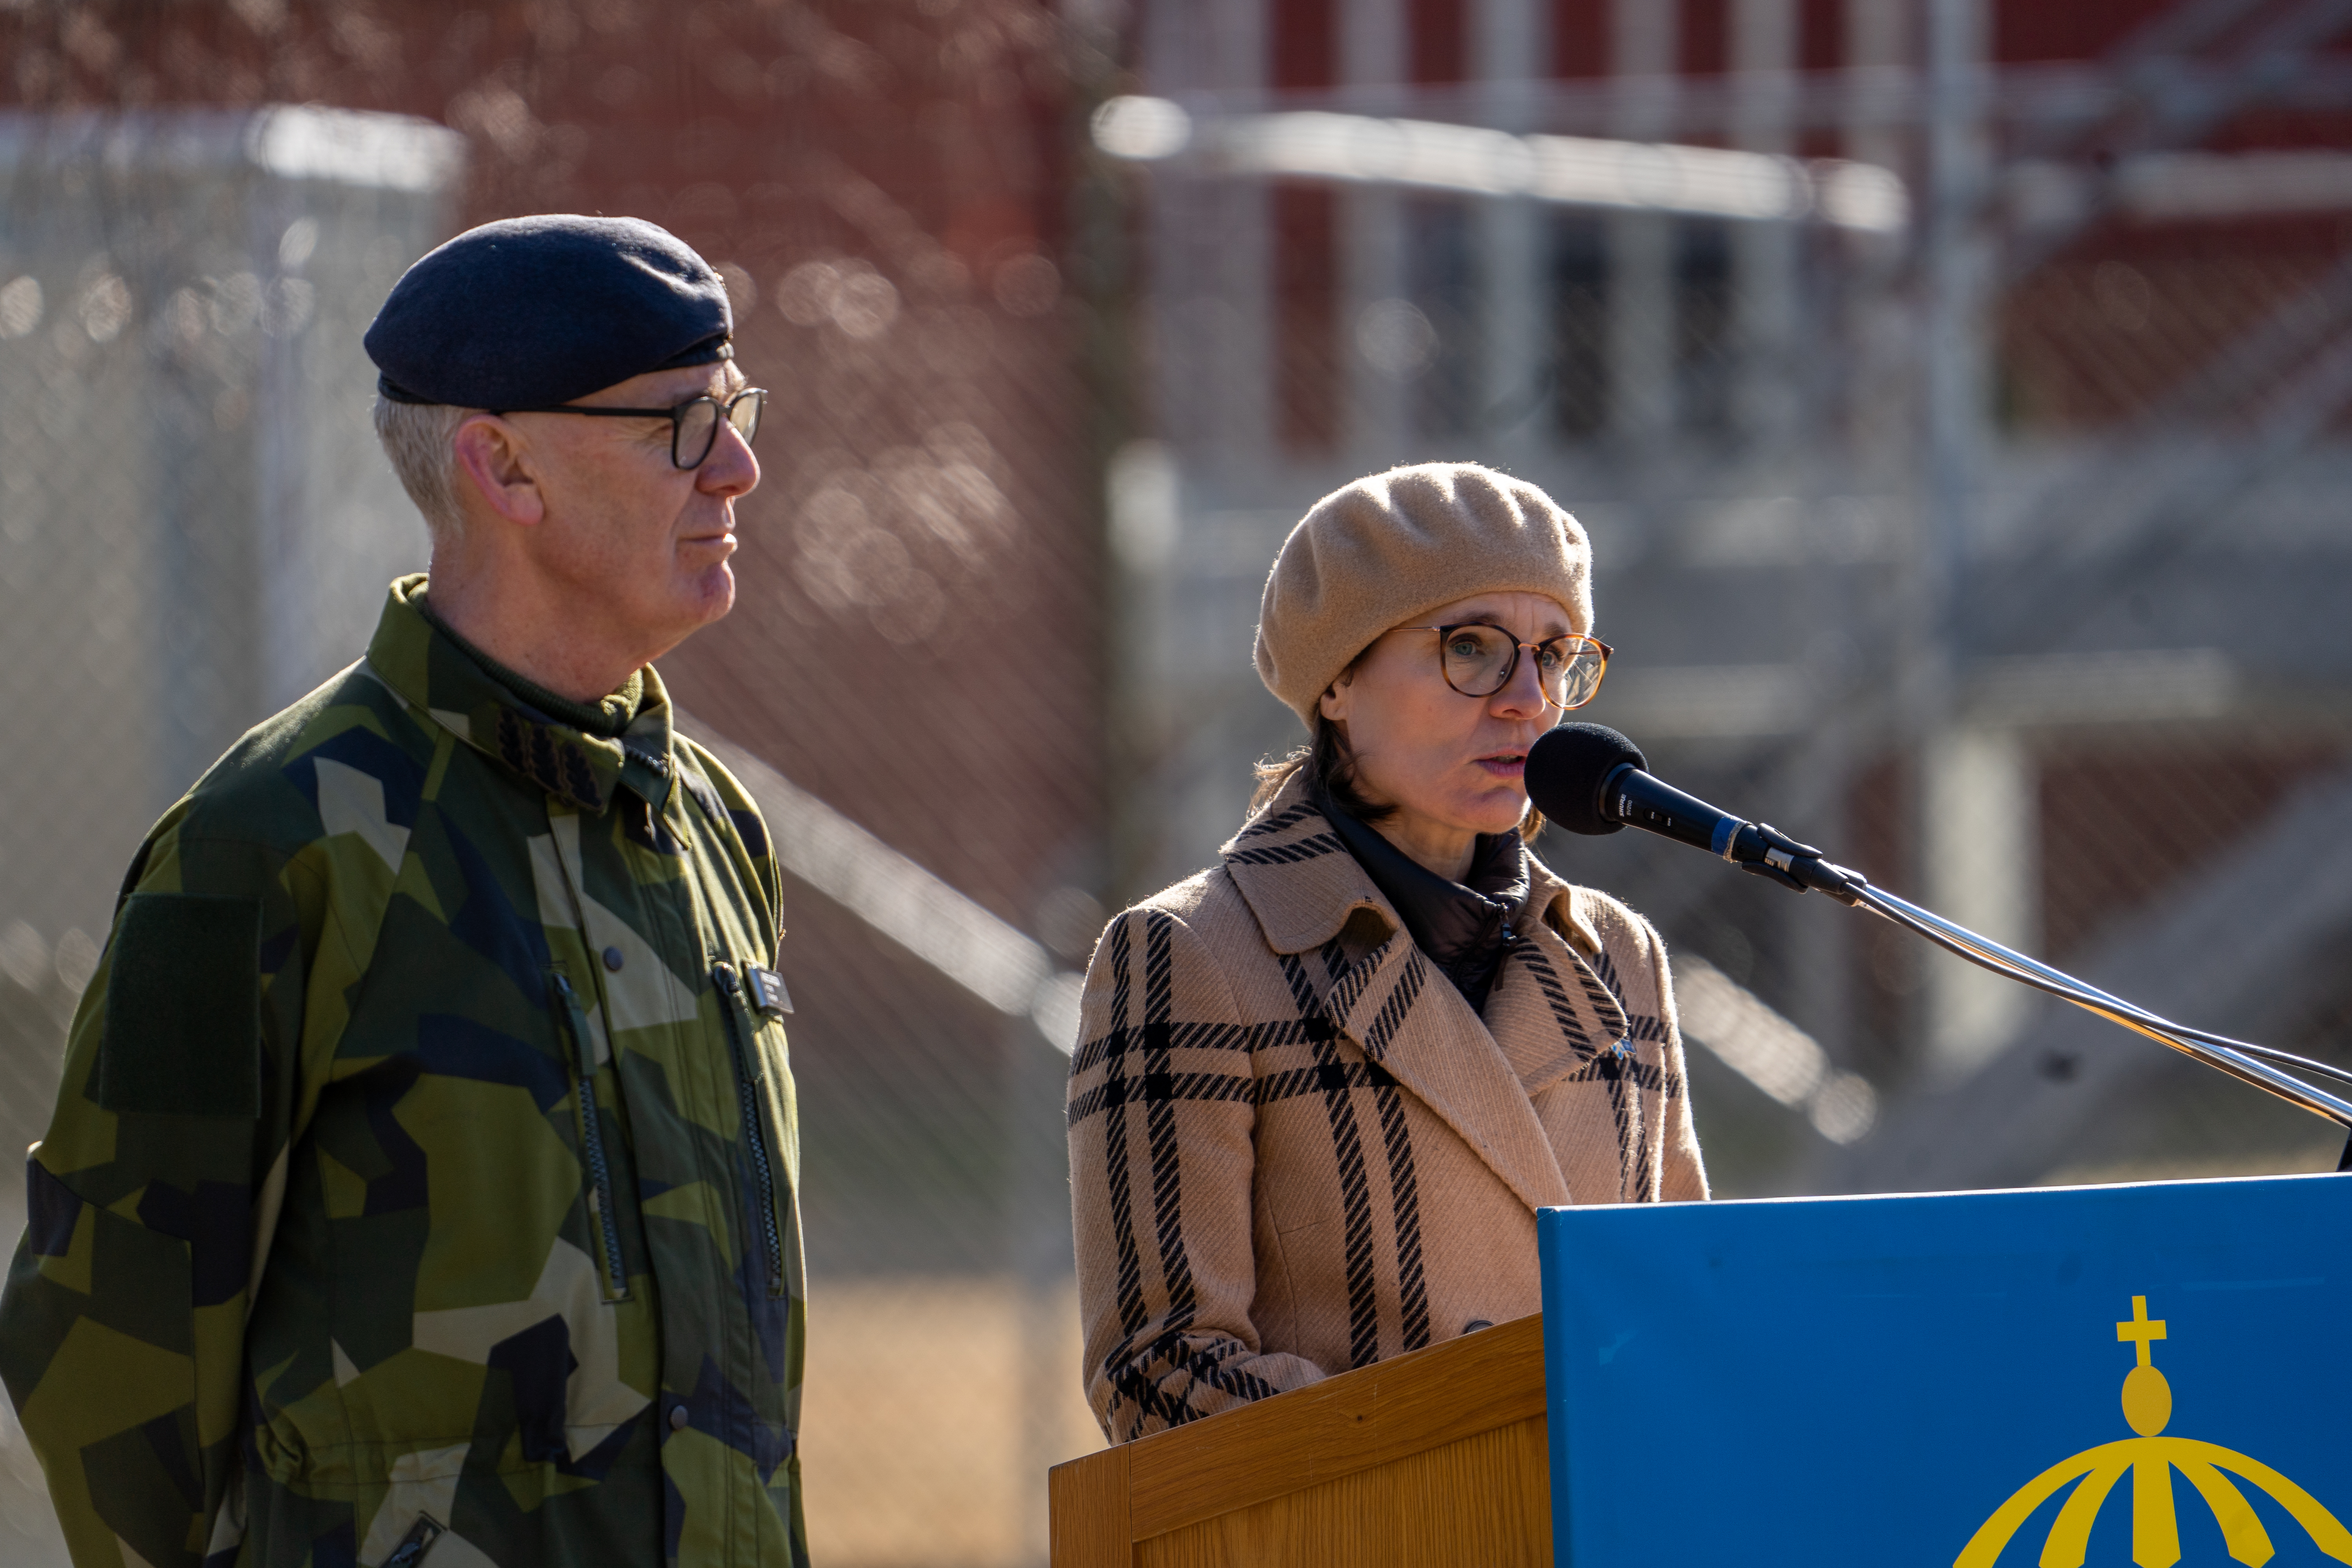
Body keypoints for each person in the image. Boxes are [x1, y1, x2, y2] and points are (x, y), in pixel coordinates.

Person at [0, 216, 809, 1567]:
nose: (739, 467)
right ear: (503, 464)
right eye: (681, 426)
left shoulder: (703, 821)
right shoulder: (274, 845)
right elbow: (112, 1362)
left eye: (736, 411)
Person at [1067, 463, 1707, 1441]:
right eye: (1474, 648)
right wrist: (1470, 1449)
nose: (1528, 698)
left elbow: (1684, 1308)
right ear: (1336, 678)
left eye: (1557, 653)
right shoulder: (1189, 952)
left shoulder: (1620, 954)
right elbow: (1157, 1371)